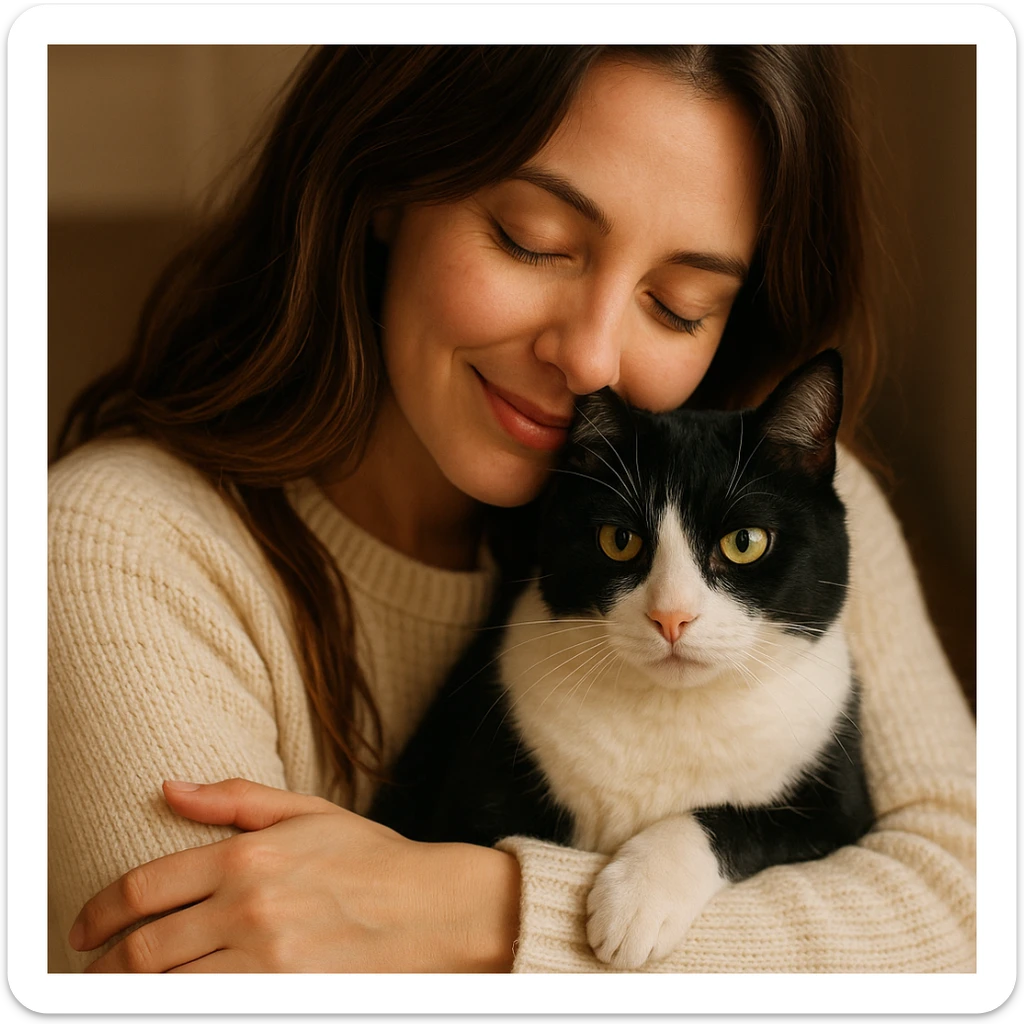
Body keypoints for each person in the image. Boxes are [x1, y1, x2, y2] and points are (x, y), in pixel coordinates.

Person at [48, 44, 976, 973]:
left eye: (679, 304)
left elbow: (973, 910)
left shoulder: (786, 506)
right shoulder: (118, 552)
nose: (590, 360)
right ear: (384, 184)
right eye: (533, 239)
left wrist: (477, 912)